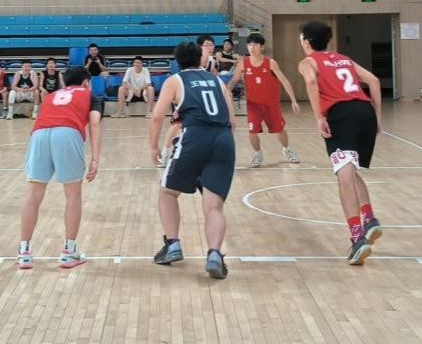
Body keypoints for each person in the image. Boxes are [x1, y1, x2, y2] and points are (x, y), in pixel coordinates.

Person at [297, 20, 383, 266]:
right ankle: (369, 219)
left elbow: (311, 82)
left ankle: (357, 238)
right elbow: (374, 81)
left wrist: (318, 117)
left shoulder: (308, 62)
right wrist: (377, 117)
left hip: (342, 116)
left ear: (306, 41)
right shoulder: (343, 59)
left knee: (344, 175)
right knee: (351, 170)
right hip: (365, 112)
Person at [148, 41, 236, 280]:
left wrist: (154, 147)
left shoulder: (175, 80)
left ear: (177, 62)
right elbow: (232, 120)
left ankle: (173, 244)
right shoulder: (216, 80)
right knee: (213, 206)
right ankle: (215, 255)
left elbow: (157, 117)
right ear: (200, 59)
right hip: (224, 139)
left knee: (168, 192)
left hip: (195, 136)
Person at [17, 67, 103, 270]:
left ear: (65, 82)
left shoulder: (52, 95)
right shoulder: (89, 95)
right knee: (73, 195)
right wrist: (95, 159)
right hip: (67, 133)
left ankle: (24, 253)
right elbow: (95, 125)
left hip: (38, 134)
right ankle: (69, 252)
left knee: (33, 195)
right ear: (86, 83)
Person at [226, 32, 301, 167]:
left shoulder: (270, 63)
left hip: (271, 104)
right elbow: (234, 81)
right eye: (249, 44)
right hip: (253, 105)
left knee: (280, 130)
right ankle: (258, 153)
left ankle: (287, 150)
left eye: (255, 45)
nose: (252, 47)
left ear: (262, 47)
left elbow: (284, 81)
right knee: (252, 131)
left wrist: (293, 100)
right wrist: (225, 92)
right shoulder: (243, 63)